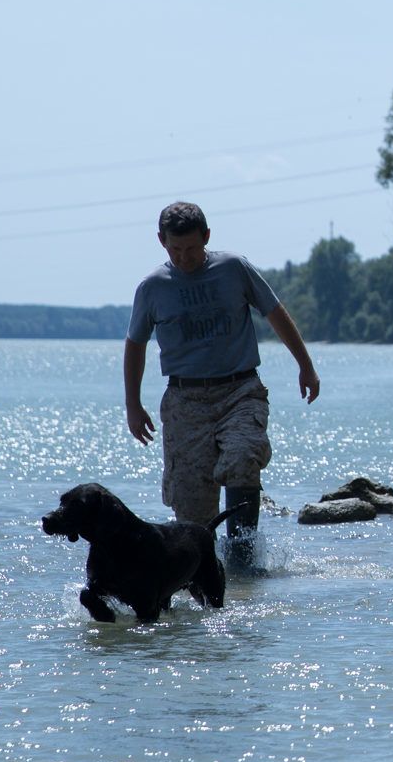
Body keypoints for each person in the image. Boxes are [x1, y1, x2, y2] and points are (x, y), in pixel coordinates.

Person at [124, 201, 320, 569]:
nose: (184, 257)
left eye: (192, 249)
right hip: (185, 400)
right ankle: (204, 580)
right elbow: (135, 344)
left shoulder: (233, 268)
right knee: (192, 508)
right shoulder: (152, 287)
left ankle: (243, 559)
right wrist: (132, 404)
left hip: (239, 390)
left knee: (244, 457)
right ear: (161, 241)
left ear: (207, 238)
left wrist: (305, 365)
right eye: (175, 249)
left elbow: (275, 312)